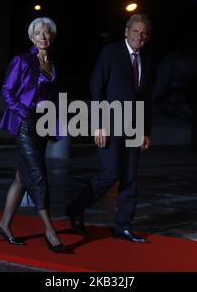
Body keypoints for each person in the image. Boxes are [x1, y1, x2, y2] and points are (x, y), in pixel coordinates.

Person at [66, 14, 154, 243]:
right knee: (110, 173)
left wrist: (145, 130)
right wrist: (98, 125)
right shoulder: (110, 52)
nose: (139, 36)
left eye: (144, 33)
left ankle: (123, 226)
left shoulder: (147, 60)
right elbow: (97, 88)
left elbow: (145, 99)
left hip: (134, 128)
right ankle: (75, 208)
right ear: (126, 31)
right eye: (135, 31)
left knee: (130, 178)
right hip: (110, 124)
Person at [0, 17, 65, 253]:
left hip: (43, 125)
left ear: (52, 36)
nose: (43, 37)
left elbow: (53, 98)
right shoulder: (22, 60)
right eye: (38, 33)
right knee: (37, 174)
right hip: (25, 123)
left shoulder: (53, 64)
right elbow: (6, 91)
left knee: (22, 176)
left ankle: (4, 224)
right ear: (31, 37)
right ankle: (50, 231)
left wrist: (56, 125)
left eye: (47, 33)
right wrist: (23, 111)